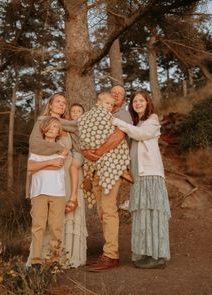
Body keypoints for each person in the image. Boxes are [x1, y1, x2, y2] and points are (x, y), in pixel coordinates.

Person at [26, 93, 87, 268]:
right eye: (57, 102)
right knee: (42, 221)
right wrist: (59, 150)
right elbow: (35, 145)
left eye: (64, 103)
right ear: (50, 105)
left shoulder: (69, 125)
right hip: (48, 175)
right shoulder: (42, 122)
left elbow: (78, 148)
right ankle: (39, 258)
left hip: (69, 173)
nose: (61, 104)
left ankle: (63, 257)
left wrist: (78, 160)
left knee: (60, 220)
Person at [111, 90, 171, 269]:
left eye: (141, 100)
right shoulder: (137, 123)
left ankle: (157, 256)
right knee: (142, 215)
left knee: (153, 215)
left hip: (151, 175)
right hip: (139, 176)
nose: (137, 103)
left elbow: (141, 135)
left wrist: (116, 121)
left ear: (147, 102)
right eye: (135, 101)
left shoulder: (152, 119)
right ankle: (146, 253)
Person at [80, 90, 131, 272]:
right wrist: (86, 150)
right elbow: (85, 132)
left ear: (123, 99)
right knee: (102, 212)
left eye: (119, 95)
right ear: (101, 101)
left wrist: (97, 153)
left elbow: (118, 136)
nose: (114, 100)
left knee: (109, 211)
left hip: (110, 167)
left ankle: (111, 255)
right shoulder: (95, 115)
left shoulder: (121, 114)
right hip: (95, 169)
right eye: (111, 96)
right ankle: (108, 251)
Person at [27, 117, 67, 268]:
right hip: (39, 191)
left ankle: (55, 260)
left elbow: (59, 165)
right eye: (50, 126)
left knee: (55, 228)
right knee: (38, 226)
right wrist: (50, 162)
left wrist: (40, 165)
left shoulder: (61, 147)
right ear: (43, 128)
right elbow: (30, 168)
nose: (52, 128)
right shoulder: (36, 147)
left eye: (56, 126)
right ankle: (36, 260)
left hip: (58, 192)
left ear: (58, 131)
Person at [65, 103, 85, 213]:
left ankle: (73, 196)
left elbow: (61, 123)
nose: (76, 113)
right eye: (73, 111)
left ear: (83, 114)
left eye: (78, 111)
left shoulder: (78, 123)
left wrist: (46, 119)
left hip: (80, 152)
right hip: (75, 152)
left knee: (73, 168)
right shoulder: (72, 123)